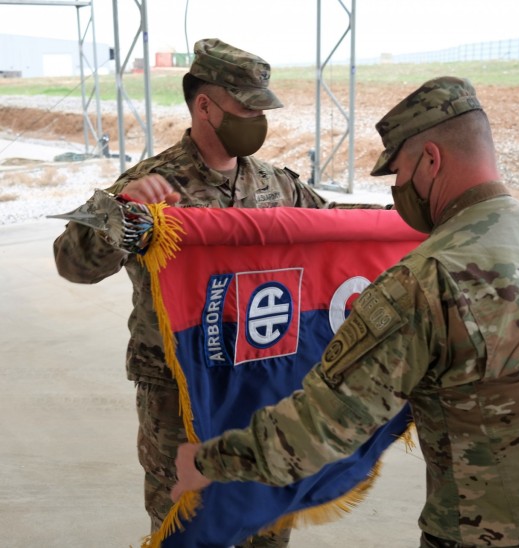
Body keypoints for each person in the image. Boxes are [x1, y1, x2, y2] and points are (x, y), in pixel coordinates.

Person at [171, 76, 519, 547]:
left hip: (505, 531)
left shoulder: (423, 281)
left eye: (398, 172)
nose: (397, 188)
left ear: (431, 160)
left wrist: (208, 462)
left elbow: (317, 431)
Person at [53, 38, 378, 547]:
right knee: (188, 518)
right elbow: (72, 266)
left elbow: (338, 231)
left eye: (261, 109)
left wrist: (414, 219)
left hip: (266, 381)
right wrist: (118, 214)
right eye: (246, 109)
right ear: (204, 105)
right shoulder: (149, 185)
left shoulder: (279, 185)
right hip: (181, 395)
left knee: (266, 518)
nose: (257, 119)